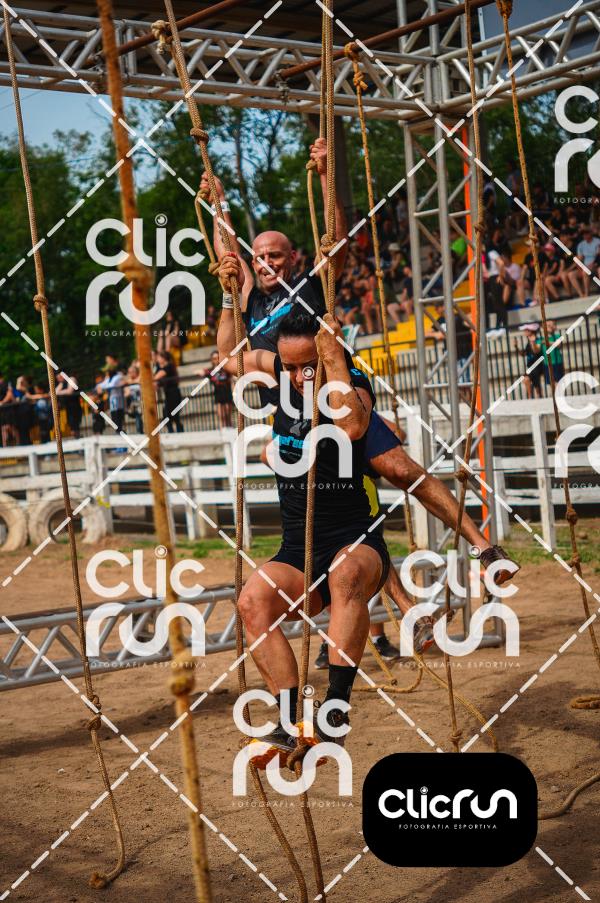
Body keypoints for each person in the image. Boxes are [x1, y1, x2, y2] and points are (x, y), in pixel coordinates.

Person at [203, 140, 518, 604]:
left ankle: (484, 546)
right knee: (339, 518)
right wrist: (219, 203)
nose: (267, 262)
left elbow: (337, 240)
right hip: (296, 414)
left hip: (338, 395)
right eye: (260, 256)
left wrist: (327, 175)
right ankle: (403, 608)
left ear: (292, 258)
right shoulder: (246, 297)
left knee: (399, 469)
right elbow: (227, 261)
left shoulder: (312, 284)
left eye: (276, 255)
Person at [217, 300, 392, 749]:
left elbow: (351, 427)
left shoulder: (351, 382)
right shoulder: (281, 370)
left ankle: (335, 709)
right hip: (299, 547)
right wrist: (228, 298)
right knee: (252, 601)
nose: (298, 377)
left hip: (355, 539)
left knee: (345, 573)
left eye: (307, 366)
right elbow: (229, 356)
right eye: (290, 367)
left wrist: (333, 360)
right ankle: (288, 721)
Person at [425, 301, 473, 405]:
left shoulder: (457, 317)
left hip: (462, 352)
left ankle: (468, 402)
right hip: (452, 354)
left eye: (437, 308)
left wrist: (439, 334)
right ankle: (462, 402)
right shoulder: (440, 320)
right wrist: (436, 334)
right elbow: (427, 333)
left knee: (463, 380)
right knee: (457, 380)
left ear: (443, 307)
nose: (436, 310)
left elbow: (470, 322)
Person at [200, 350, 233, 428]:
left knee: (228, 416)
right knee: (221, 417)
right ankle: (223, 432)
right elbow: (201, 372)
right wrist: (201, 373)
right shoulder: (211, 371)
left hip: (227, 394)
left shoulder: (225, 368)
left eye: (218, 358)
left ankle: (230, 431)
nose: (216, 360)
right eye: (214, 358)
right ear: (211, 360)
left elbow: (231, 379)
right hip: (218, 395)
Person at [154, 351, 184, 433]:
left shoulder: (169, 366)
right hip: (168, 394)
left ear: (164, 358)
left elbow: (157, 376)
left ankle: (179, 432)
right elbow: (160, 382)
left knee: (173, 415)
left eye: (159, 357)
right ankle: (172, 432)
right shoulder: (162, 368)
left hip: (174, 393)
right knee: (167, 416)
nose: (157, 359)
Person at [96, 354, 126, 431]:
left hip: (118, 400)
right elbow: (102, 384)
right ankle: (118, 430)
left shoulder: (117, 376)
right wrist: (99, 386)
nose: (106, 372)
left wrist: (102, 387)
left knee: (118, 416)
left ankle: (120, 430)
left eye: (108, 371)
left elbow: (111, 385)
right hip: (112, 400)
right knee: (114, 416)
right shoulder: (109, 378)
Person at [515, 325, 543, 399]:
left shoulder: (538, 340)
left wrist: (533, 342)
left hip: (538, 365)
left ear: (531, 331)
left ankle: (539, 396)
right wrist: (516, 347)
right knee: (526, 379)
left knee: (536, 384)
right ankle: (530, 397)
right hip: (531, 366)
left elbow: (537, 351)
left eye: (526, 330)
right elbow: (523, 354)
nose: (524, 332)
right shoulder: (528, 343)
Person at [56, 373, 82, 439]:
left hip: (75, 406)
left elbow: (69, 391)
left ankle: (77, 437)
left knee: (75, 424)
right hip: (68, 406)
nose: (58, 380)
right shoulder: (62, 383)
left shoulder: (71, 379)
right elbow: (54, 392)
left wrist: (58, 393)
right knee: (71, 424)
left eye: (59, 377)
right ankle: (76, 437)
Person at [539, 319, 565, 385]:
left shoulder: (557, 336)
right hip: (547, 363)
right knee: (551, 382)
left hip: (557, 362)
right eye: (548, 325)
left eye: (552, 325)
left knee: (559, 382)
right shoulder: (541, 339)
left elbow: (559, 345)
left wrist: (547, 342)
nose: (550, 326)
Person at [576, 227, 600, 296]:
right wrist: (579, 269)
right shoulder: (581, 244)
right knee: (584, 271)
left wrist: (593, 264)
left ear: (591, 233)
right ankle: (586, 293)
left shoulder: (598, 241)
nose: (585, 235)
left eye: (586, 233)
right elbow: (579, 259)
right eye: (583, 234)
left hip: (597, 264)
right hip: (587, 266)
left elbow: (598, 256)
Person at [124, 362, 144, 433]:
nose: (130, 374)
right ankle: (139, 431)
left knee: (139, 416)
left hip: (140, 401)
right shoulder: (128, 381)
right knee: (137, 416)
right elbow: (126, 392)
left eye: (132, 372)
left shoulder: (140, 379)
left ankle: (140, 431)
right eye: (129, 372)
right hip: (132, 403)